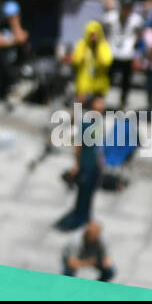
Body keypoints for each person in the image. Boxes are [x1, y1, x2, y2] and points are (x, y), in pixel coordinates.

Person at [56, 96, 106, 230]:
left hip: (95, 165)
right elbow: (78, 146)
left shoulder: (98, 123)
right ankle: (79, 217)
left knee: (90, 193)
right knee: (83, 193)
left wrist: (101, 163)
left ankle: (86, 216)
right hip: (86, 164)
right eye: (98, 106)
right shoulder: (85, 124)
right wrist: (77, 164)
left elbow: (99, 146)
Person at [101, 0, 143, 108]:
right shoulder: (111, 16)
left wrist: (135, 45)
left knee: (126, 81)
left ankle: (123, 102)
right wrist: (106, 41)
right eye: (124, 7)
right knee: (107, 78)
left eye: (128, 8)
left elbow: (141, 34)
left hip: (127, 54)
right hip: (112, 52)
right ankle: (101, 99)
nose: (126, 10)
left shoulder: (136, 20)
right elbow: (101, 27)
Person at [71, 20, 112, 102]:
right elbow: (76, 60)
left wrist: (98, 52)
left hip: (99, 78)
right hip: (84, 77)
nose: (93, 37)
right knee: (79, 101)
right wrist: (83, 55)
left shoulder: (103, 45)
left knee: (98, 104)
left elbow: (107, 61)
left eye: (95, 34)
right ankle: (76, 114)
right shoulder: (82, 44)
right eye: (91, 34)